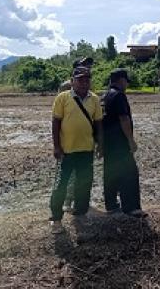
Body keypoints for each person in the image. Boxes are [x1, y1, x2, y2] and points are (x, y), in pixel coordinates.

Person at [50, 66, 103, 233]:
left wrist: (100, 144)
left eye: (87, 79)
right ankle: (56, 219)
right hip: (66, 151)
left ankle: (81, 215)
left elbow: (98, 124)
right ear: (72, 81)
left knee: (84, 185)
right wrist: (57, 146)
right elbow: (56, 123)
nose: (83, 82)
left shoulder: (94, 99)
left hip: (86, 151)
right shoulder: (62, 98)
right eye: (79, 79)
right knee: (61, 185)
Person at [102, 69, 146, 217]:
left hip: (108, 143)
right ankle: (131, 207)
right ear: (121, 80)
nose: (126, 84)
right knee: (129, 174)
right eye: (126, 81)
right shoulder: (119, 95)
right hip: (120, 143)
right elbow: (124, 119)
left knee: (110, 173)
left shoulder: (104, 96)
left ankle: (111, 205)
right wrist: (130, 140)